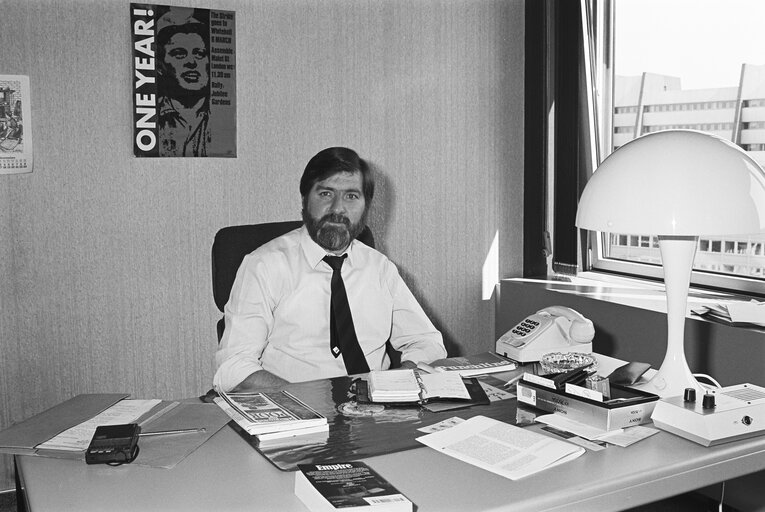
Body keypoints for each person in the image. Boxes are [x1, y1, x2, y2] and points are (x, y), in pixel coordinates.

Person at [214, 147, 446, 392]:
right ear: (305, 199)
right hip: (297, 412)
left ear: (366, 206)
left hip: (376, 411)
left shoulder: (379, 268)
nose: (338, 208)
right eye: (326, 193)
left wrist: (397, 383)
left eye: (351, 196)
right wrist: (307, 403)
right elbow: (233, 368)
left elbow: (427, 342)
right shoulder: (264, 266)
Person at [155, 7, 211, 157]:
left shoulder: (220, 116)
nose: (191, 62)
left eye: (199, 54)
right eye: (179, 54)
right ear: (160, 66)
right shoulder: (151, 118)